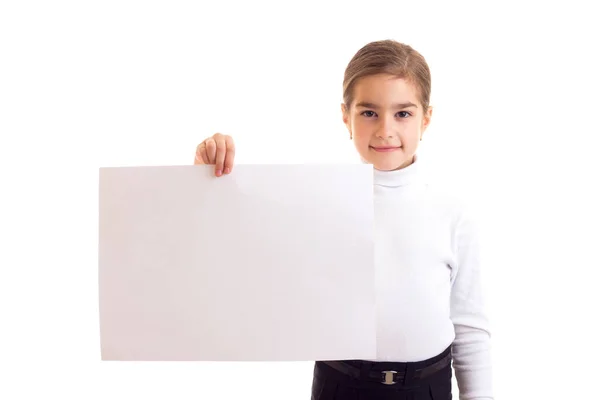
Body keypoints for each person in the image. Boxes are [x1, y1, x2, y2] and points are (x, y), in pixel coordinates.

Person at [193, 40, 493, 400]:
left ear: (425, 119)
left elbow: (469, 325)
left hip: (426, 387)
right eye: (369, 113)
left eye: (403, 113)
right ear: (345, 116)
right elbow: (241, 251)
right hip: (340, 384)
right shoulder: (318, 201)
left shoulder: (454, 213)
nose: (385, 129)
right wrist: (205, 181)